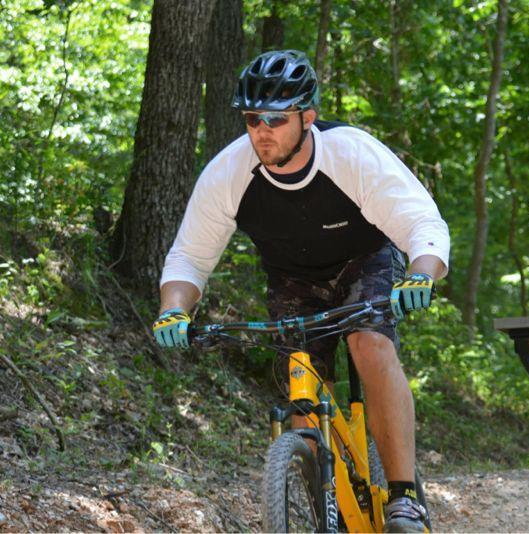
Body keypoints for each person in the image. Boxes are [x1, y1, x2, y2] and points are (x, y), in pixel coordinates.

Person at [151, 49, 449, 533]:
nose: (261, 130)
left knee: (369, 345)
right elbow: (189, 257)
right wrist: (173, 311)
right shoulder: (229, 173)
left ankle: (404, 497)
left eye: (275, 118)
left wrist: (421, 274)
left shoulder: (351, 153)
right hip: (293, 278)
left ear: (307, 117)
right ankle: (318, 510)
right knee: (301, 387)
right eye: (252, 118)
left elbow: (422, 223)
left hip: (364, 260)